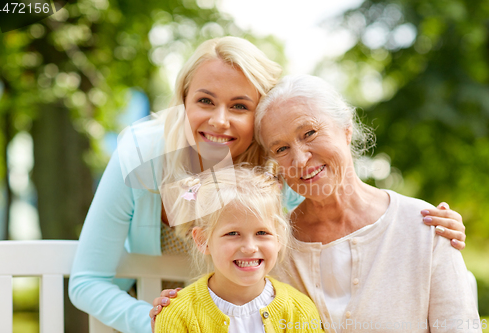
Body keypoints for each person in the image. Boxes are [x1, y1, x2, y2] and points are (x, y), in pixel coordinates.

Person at [68, 36, 466, 333]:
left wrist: (427, 229)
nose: (220, 121)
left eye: (240, 106)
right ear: (183, 100)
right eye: (205, 101)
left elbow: (331, 218)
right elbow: (87, 281)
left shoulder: (279, 170)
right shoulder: (142, 156)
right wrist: (169, 322)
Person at [253, 75, 480, 332]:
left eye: (309, 133)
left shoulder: (427, 227)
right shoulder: (270, 246)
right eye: (281, 149)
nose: (300, 159)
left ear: (346, 129)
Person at [154, 166, 324, 332]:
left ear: (279, 237)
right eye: (233, 233)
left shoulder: (299, 311)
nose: (250, 248)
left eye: (262, 232)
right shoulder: (177, 315)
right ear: (203, 240)